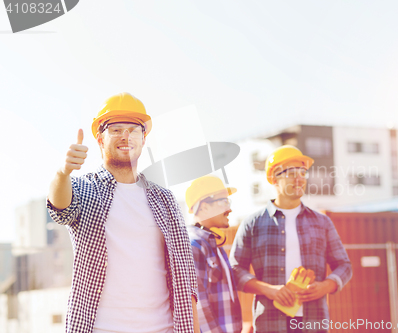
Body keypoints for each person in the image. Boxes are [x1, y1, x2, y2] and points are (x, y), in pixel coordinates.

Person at [47, 93, 199, 333]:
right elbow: (60, 208)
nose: (126, 136)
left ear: (143, 138)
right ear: (100, 138)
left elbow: (186, 277)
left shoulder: (166, 200)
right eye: (116, 129)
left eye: (134, 129)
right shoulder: (83, 188)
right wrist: (63, 173)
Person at [229, 145, 352, 333]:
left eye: (303, 172)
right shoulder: (252, 224)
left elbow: (344, 265)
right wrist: (269, 290)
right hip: (270, 323)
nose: (300, 178)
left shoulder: (322, 223)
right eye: (292, 172)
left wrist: (325, 286)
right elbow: (235, 271)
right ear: (273, 178)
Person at [186, 175, 243, 333]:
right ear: (203, 207)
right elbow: (198, 305)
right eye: (224, 202)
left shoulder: (213, 242)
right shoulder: (194, 245)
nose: (229, 209)